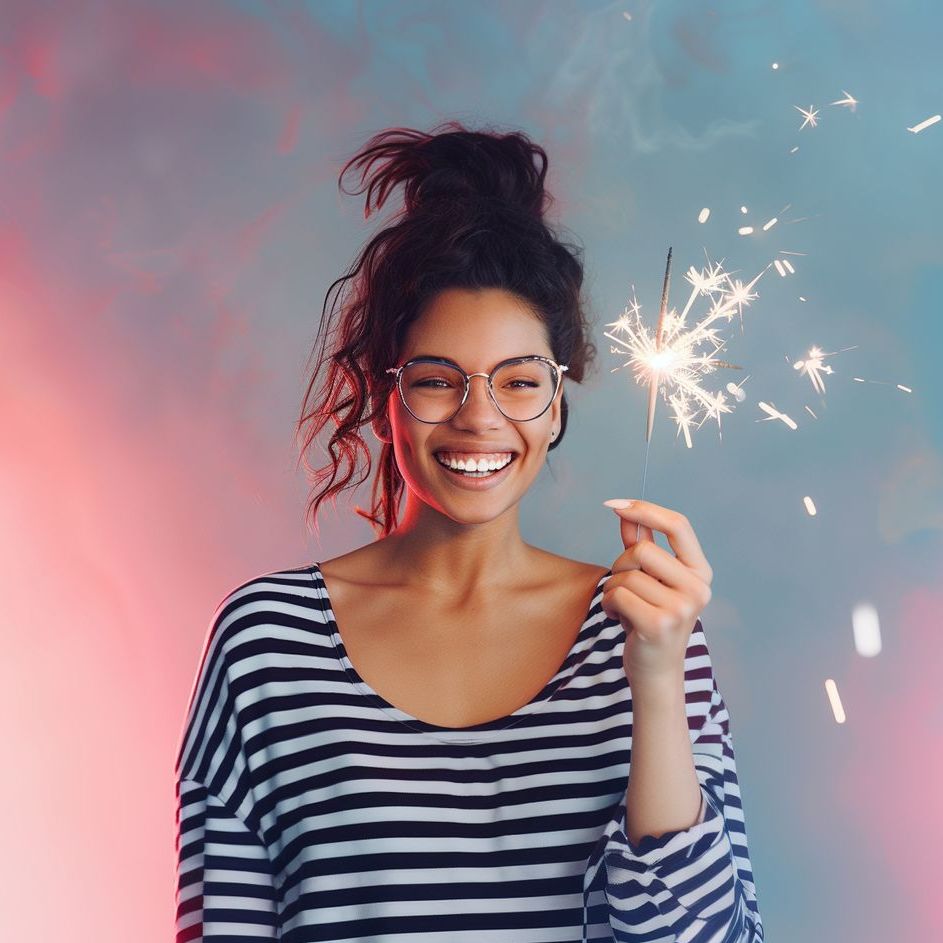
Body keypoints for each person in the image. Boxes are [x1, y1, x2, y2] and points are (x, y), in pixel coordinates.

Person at [174, 121, 764, 941]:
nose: (478, 417)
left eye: (519, 381)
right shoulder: (265, 642)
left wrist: (656, 680)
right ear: (380, 390)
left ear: (558, 398)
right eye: (435, 379)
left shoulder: (646, 629)